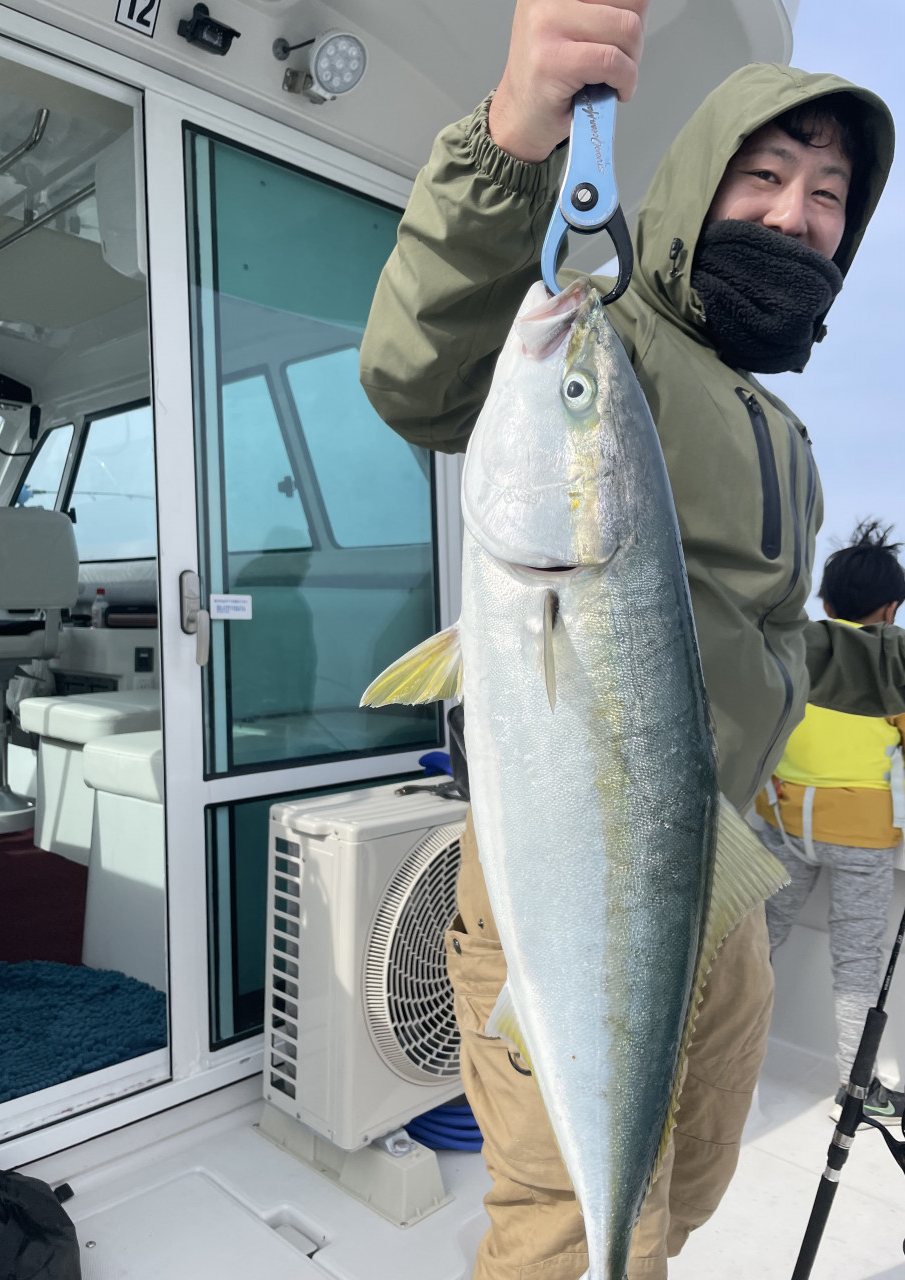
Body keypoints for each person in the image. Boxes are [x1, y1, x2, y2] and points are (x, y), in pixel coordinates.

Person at [359, 2, 902, 1275]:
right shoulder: (613, 335)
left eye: (829, 194)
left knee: (689, 1177)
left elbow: (784, 644)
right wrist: (511, 141)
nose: (796, 215)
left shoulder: (786, 435)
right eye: (765, 174)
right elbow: (419, 371)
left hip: (719, 868)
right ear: (697, 182)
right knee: (569, 1227)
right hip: (572, 857)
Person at [756, 521, 905, 1125]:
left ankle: (722, 1053)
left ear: (824, 602)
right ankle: (856, 1085)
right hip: (862, 837)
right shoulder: (894, 668)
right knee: (857, 963)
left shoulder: (796, 653)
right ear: (890, 610)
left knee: (757, 942)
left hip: (784, 824)